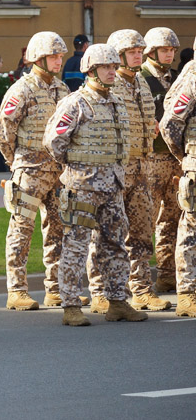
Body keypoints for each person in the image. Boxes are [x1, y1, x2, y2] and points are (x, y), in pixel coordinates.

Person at [43, 43, 147, 326]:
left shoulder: (116, 102)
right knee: (76, 245)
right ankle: (71, 306)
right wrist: (76, 167)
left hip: (112, 186)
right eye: (106, 67)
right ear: (91, 70)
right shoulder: (76, 103)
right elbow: (54, 141)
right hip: (83, 186)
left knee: (115, 244)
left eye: (114, 66)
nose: (112, 71)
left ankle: (117, 301)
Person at [87, 30, 169, 313]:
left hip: (142, 167)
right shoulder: (110, 84)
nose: (139, 55)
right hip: (116, 169)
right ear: (119, 55)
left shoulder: (141, 83)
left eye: (140, 51)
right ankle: (100, 291)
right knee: (107, 231)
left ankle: (141, 290)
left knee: (141, 230)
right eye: (133, 51)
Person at [0, 32, 70, 310]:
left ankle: (55, 289)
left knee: (58, 230)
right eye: (54, 56)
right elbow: (3, 131)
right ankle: (17, 291)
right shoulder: (22, 89)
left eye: (60, 56)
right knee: (21, 229)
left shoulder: (62, 90)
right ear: (38, 58)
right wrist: (15, 163)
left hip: (57, 173)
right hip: (29, 171)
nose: (59, 60)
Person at [156, 40, 196, 318]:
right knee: (191, 231)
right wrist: (186, 157)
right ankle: (187, 294)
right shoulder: (193, 75)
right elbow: (170, 123)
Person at [140, 27, 181, 293]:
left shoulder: (176, 78)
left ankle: (168, 274)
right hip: (152, 157)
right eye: (165, 50)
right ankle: (140, 280)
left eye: (172, 50)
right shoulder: (140, 78)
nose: (169, 54)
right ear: (152, 52)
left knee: (173, 217)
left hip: (174, 156)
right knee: (146, 218)